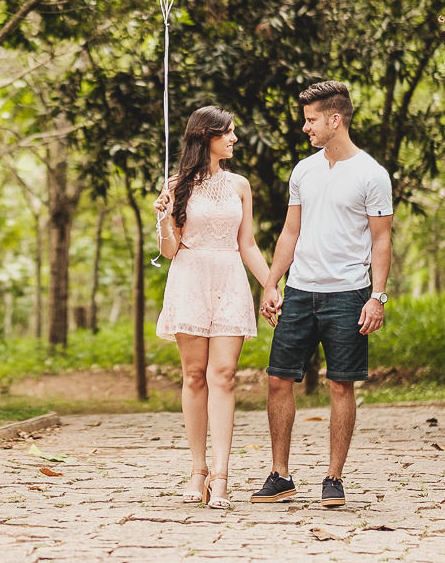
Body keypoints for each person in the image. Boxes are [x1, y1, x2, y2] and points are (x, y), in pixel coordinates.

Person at [253, 81, 392, 508]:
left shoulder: (372, 173)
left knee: (340, 384)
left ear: (335, 120)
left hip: (348, 295)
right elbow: (290, 231)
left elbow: (382, 240)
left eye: (311, 119)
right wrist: (271, 283)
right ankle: (281, 475)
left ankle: (333, 478)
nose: (305, 126)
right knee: (278, 379)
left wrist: (378, 297)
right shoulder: (304, 170)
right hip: (299, 292)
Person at [153, 105, 271, 509]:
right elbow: (169, 251)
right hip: (189, 278)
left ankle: (221, 475)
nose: (235, 139)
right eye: (229, 133)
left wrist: (272, 286)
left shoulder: (240, 184)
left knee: (223, 375)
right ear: (206, 135)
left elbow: (248, 243)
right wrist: (166, 217)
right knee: (193, 375)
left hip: (230, 278)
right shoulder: (176, 184)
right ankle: (197, 470)